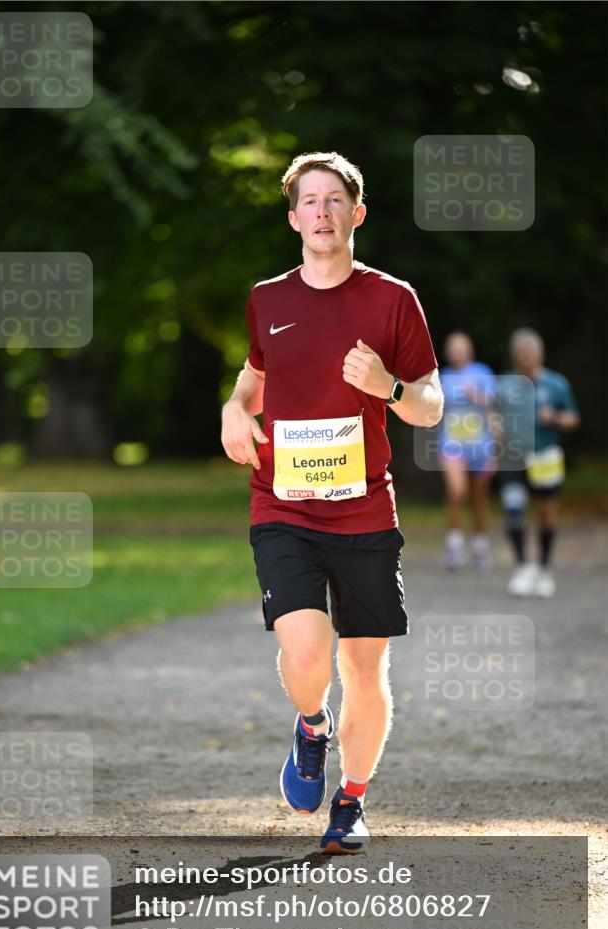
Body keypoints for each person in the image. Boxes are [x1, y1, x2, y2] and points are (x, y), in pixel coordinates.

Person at [221, 151, 443, 853]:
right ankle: (310, 724)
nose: (321, 212)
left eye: (333, 199)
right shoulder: (268, 299)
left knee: (365, 669)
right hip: (282, 503)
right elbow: (254, 374)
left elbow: (431, 407)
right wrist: (234, 408)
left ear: (356, 212)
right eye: (308, 202)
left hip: (365, 511)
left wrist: (389, 387)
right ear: (293, 219)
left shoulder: (392, 299)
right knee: (308, 652)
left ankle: (349, 802)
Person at [499, 328, 580, 597]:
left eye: (529, 353)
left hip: (545, 456)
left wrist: (555, 418)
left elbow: (573, 418)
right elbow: (493, 413)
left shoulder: (556, 384)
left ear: (540, 354)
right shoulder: (506, 385)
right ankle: (523, 566)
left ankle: (545, 569)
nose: (525, 358)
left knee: (546, 511)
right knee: (513, 508)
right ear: (514, 356)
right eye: (520, 354)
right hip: (513, 457)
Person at [437, 331, 498, 572]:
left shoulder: (483, 373)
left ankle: (480, 547)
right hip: (452, 443)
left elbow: (493, 408)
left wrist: (478, 396)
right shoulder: (442, 377)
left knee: (479, 499)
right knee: (457, 491)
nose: (457, 351)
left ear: (470, 349)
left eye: (462, 347)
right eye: (453, 347)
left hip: (480, 444)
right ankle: (454, 544)